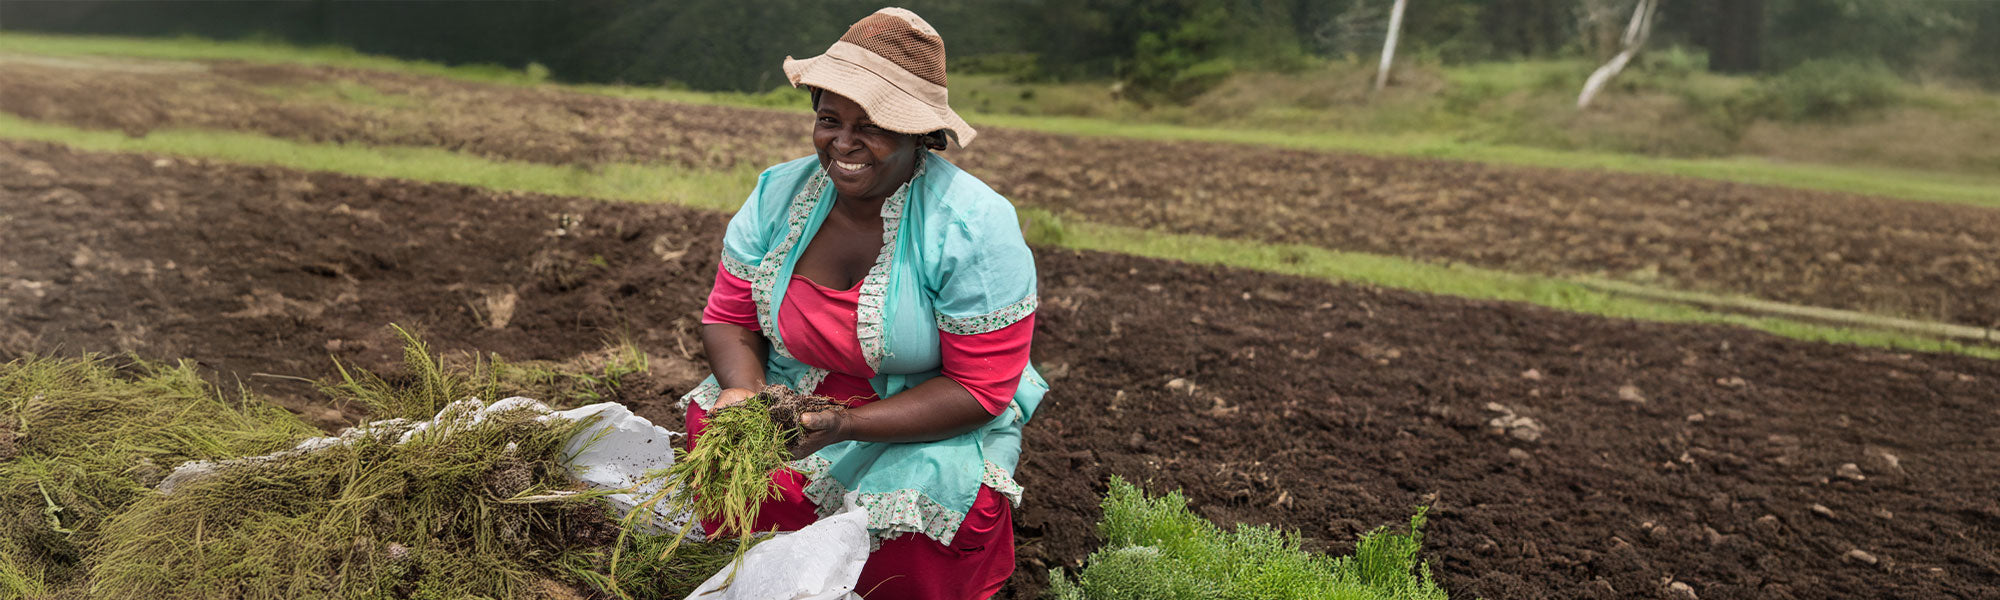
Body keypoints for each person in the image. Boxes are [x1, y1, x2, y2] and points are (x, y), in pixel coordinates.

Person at [679, 7, 1047, 599]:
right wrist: (744, 393)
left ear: (919, 135)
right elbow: (730, 317)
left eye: (870, 126)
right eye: (830, 120)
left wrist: (844, 425)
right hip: (798, 390)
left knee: (908, 532)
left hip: (925, 413)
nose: (844, 144)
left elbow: (980, 389)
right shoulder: (780, 194)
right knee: (727, 449)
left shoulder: (972, 225)